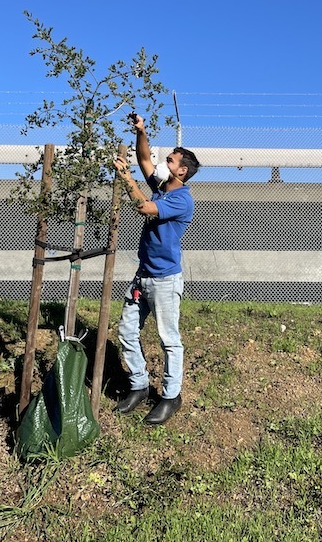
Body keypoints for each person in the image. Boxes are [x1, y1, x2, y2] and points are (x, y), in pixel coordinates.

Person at [114, 114, 200, 425]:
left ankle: (170, 396)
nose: (163, 163)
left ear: (182, 170)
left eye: (170, 160)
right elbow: (143, 157)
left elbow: (143, 208)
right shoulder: (162, 186)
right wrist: (142, 131)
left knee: (169, 339)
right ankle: (138, 385)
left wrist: (125, 178)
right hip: (143, 275)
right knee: (126, 331)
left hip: (164, 280)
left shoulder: (181, 199)